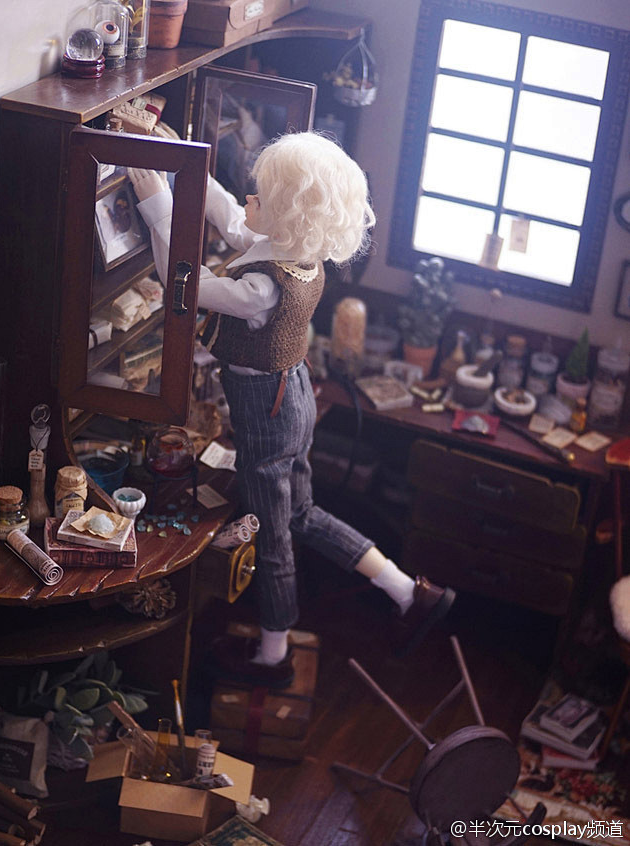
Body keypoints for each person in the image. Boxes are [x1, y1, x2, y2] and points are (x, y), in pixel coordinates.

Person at [128, 132, 455, 689]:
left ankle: (273, 656)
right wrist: (185, 162)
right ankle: (408, 590)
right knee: (300, 512)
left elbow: (184, 283)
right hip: (295, 394)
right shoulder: (297, 252)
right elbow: (231, 217)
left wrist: (158, 202)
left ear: (284, 217)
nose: (247, 198)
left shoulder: (262, 288)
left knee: (275, 535)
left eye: (260, 195)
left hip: (269, 411)